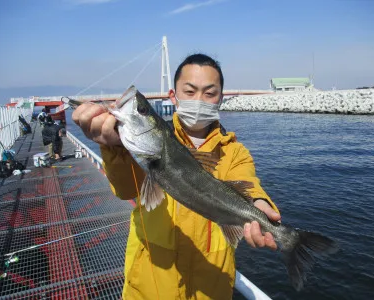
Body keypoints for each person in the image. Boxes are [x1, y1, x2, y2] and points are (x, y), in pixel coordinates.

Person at [72, 54, 281, 299]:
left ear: (220, 99)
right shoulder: (152, 144)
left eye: (209, 93)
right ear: (173, 96)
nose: (199, 100)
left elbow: (248, 183)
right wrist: (114, 148)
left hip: (212, 290)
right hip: (151, 287)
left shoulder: (234, 152)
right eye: (190, 91)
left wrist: (260, 202)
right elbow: (127, 190)